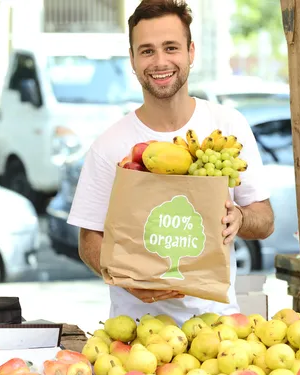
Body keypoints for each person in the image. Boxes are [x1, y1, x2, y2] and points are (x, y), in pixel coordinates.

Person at [67, 0, 275, 326]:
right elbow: (89, 240)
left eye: (171, 47)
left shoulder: (228, 126)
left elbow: (264, 220)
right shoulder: (109, 145)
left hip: (218, 327)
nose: (160, 61)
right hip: (136, 332)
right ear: (133, 59)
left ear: (191, 52)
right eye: (147, 51)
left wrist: (240, 218)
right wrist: (125, 278)